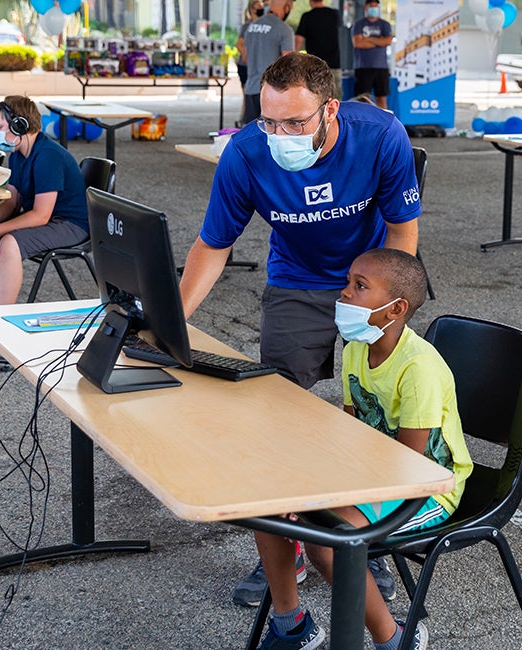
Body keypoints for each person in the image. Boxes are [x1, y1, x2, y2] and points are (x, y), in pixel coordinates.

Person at [177, 52, 420, 606]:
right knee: (278, 416)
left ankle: (367, 542)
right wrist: (174, 319)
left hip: (370, 278)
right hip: (296, 278)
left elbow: (403, 231)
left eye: (294, 122)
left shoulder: (380, 135)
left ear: (330, 109)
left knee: (378, 416)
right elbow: (213, 244)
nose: (279, 135)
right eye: (269, 121)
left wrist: (384, 307)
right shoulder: (245, 152)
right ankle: (286, 543)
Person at [251, 247, 471, 650]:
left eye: (360, 286)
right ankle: (291, 627)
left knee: (328, 541)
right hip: (377, 471)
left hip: (429, 487)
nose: (345, 292)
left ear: (395, 309)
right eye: (348, 282)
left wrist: (327, 498)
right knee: (267, 503)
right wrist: (310, 484)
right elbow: (351, 432)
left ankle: (394, 639)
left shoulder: (418, 368)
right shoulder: (356, 347)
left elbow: (409, 466)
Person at [0, 96, 89, 354]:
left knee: (9, 244)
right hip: (47, 219)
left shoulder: (47, 156)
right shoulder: (18, 153)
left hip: (71, 224)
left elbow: (41, 216)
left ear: (20, 125)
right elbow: (12, 198)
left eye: (1, 127)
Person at [241, 0, 295, 125]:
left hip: (251, 88)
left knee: (252, 133)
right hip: (273, 92)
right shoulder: (284, 29)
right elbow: (289, 62)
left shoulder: (252, 26)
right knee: (272, 133)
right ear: (286, 8)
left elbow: (245, 58)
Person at [295, 0, 343, 98]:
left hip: (314, 65)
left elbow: (298, 40)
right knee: (336, 97)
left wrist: (294, 58)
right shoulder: (334, 14)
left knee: (316, 97)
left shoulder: (307, 16)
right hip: (334, 63)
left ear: (310, 1)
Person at [351, 0, 393, 110]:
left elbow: (388, 41)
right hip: (363, 67)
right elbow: (358, 43)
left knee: (381, 98)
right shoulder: (359, 24)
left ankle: (383, 120)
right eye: (371, 6)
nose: (374, 8)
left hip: (381, 67)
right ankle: (363, 119)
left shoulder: (385, 24)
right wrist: (379, 41)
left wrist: (368, 39)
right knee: (362, 99)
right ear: (366, 7)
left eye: (376, 6)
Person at [235, 0, 265, 125]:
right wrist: (247, 56)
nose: (262, 9)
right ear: (252, 9)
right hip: (246, 66)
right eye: (259, 7)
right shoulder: (248, 26)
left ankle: (245, 119)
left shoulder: (263, 25)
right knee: (247, 95)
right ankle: (243, 120)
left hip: (257, 65)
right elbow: (239, 44)